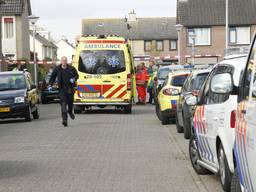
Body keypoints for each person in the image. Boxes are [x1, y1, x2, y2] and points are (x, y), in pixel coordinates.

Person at [48, 56, 79, 127]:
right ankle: (64, 120)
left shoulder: (71, 68)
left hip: (70, 89)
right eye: (63, 61)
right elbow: (52, 77)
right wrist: (50, 85)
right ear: (61, 61)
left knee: (70, 104)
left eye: (65, 61)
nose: (64, 62)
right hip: (61, 89)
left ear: (67, 61)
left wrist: (74, 79)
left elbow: (77, 75)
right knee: (63, 105)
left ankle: (70, 112)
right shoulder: (57, 69)